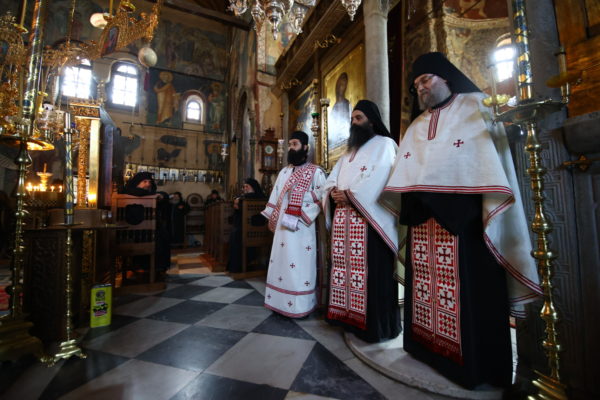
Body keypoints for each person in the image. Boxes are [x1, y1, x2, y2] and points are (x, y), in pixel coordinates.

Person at [380, 52, 542, 389]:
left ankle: (474, 367)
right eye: (416, 84)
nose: (420, 88)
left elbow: (485, 163)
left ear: (446, 77)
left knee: (469, 297)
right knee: (425, 290)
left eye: (426, 80)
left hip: (465, 226)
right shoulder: (417, 125)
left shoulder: (477, 106)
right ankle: (425, 347)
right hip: (424, 223)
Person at [323, 100, 400, 342]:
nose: (354, 123)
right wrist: (333, 192)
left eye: (359, 118)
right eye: (352, 119)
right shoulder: (348, 153)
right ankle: (347, 317)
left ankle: (374, 327)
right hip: (345, 223)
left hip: (370, 223)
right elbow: (331, 179)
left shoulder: (385, 144)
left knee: (371, 275)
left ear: (372, 121)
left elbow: (381, 177)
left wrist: (350, 195)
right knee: (345, 271)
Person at [261, 131, 327, 317]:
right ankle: (279, 304)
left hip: (302, 228)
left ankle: (299, 307)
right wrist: (271, 216)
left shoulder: (316, 172)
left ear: (305, 147)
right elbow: (275, 195)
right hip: (282, 227)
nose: (291, 148)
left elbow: (322, 196)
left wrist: (300, 200)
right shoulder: (284, 172)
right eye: (290, 144)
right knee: (281, 263)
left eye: (295, 144)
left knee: (300, 266)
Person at [227, 178, 266, 273]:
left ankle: (237, 266)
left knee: (235, 234)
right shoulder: (250, 197)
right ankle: (243, 263)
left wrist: (237, 200)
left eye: (246, 186)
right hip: (256, 230)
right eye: (244, 187)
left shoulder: (245, 198)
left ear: (253, 187)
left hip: (251, 230)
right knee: (235, 232)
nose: (244, 188)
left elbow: (237, 207)